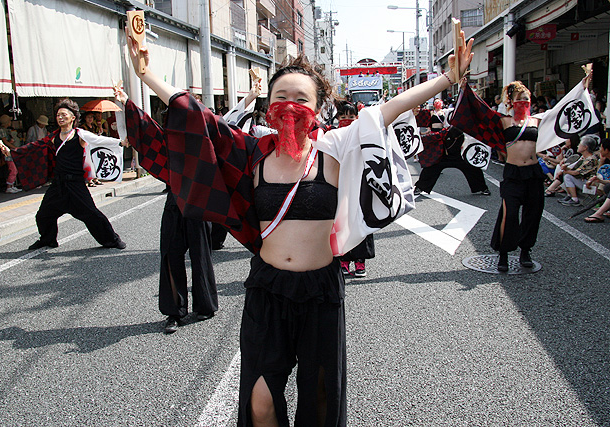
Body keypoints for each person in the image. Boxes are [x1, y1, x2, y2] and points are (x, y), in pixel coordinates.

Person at [119, 24, 473, 426]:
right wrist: (146, 73)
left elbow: (387, 110)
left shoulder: (336, 147)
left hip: (321, 290)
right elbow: (198, 118)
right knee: (260, 401)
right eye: (281, 98)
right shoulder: (251, 152)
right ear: (268, 106)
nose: (290, 106)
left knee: (320, 399)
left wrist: (448, 79)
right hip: (266, 289)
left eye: (301, 99)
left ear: (319, 107)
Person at [451, 77, 593, 272]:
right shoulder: (503, 121)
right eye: (519, 98)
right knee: (509, 213)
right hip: (513, 173)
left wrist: (581, 87)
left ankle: (526, 250)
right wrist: (465, 89)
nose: (523, 102)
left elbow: (560, 111)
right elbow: (480, 111)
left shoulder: (537, 120)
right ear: (511, 102)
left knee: (533, 213)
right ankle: (503, 252)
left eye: (526, 99)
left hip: (533, 172)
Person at [0, 98, 126, 251]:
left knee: (91, 214)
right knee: (43, 215)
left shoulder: (80, 134)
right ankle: (48, 240)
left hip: (75, 184)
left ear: (73, 118)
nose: (60, 117)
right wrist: (11, 152)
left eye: (64, 115)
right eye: (58, 115)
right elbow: (34, 147)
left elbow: (99, 140)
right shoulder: (53, 136)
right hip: (58, 185)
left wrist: (120, 142)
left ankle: (112, 240)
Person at [160, 191, 218, 333]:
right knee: (171, 256)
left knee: (201, 256)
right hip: (174, 201)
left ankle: (205, 305)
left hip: (200, 200)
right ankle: (174, 311)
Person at [335, 101, 375, 277]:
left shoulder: (364, 134)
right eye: (343, 117)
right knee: (341, 222)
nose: (347, 120)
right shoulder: (332, 134)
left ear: (357, 117)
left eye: (351, 116)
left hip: (361, 183)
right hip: (340, 184)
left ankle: (360, 260)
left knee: (361, 221)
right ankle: (343, 259)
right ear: (337, 118)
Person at [413, 125, 490, 196]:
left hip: (460, 157)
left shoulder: (467, 135)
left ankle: (483, 188)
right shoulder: (445, 132)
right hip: (444, 156)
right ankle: (420, 187)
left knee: (473, 169)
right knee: (430, 169)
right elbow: (431, 137)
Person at [544, 135, 599, 206]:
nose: (578, 146)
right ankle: (569, 196)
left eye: (580, 144)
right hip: (583, 180)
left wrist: (564, 171)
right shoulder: (583, 157)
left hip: (589, 183)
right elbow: (573, 167)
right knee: (566, 173)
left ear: (585, 147)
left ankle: (574, 199)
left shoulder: (590, 159)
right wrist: (563, 170)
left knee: (568, 176)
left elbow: (576, 172)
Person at [0, 114, 22, 194]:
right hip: (8, 153)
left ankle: (12, 185)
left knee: (14, 169)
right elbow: (5, 142)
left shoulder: (6, 130)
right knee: (13, 169)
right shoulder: (2, 130)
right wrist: (14, 147)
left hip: (10, 152)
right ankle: (9, 186)